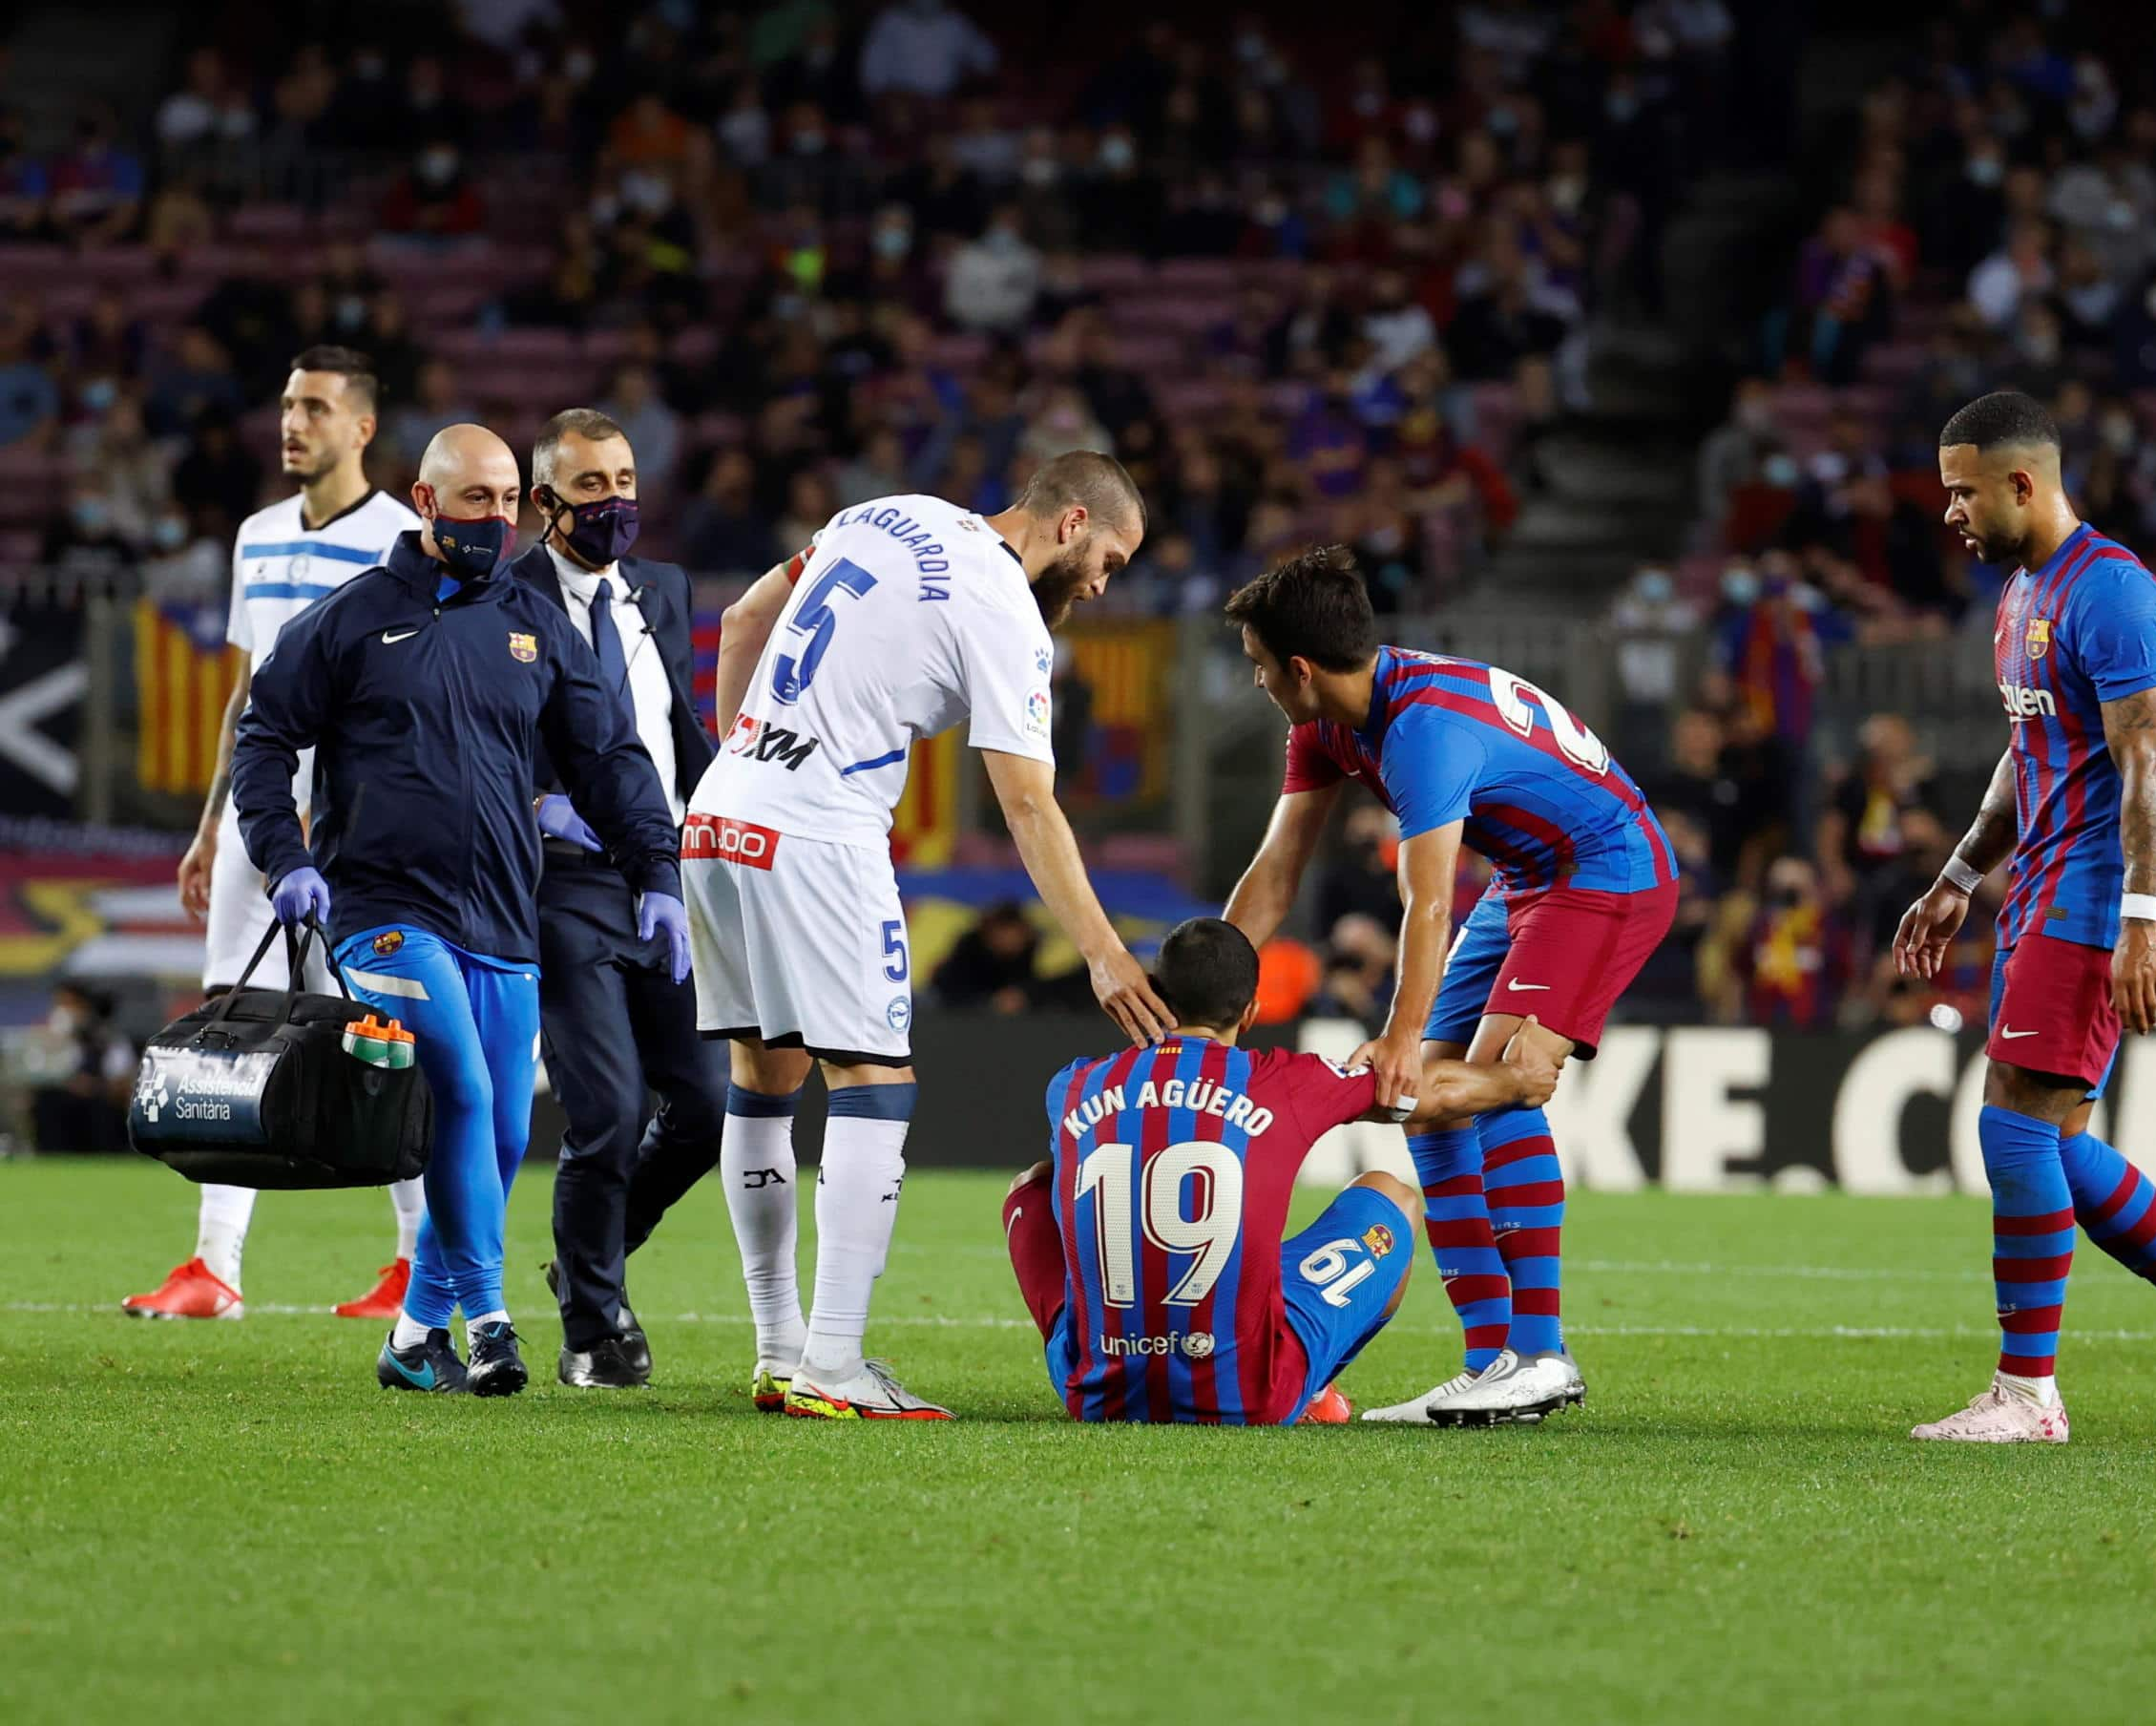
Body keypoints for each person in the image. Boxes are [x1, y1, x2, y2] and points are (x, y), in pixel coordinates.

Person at [694, 451, 1172, 1421]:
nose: (1104, 582)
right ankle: (832, 1362)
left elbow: (745, 620)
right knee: (876, 1081)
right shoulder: (1001, 605)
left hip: (721, 807)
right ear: (1073, 522)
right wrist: (1100, 947)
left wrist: (741, 760)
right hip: (819, 828)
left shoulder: (888, 512)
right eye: (1112, 558)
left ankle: (781, 1350)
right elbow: (1028, 804)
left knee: (764, 1073)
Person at [232, 425, 684, 1399]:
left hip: (503, 918)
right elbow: (263, 735)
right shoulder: (349, 620)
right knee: (465, 1095)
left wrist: (657, 869)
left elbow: (607, 754)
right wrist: (285, 858)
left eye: (512, 498)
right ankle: (490, 1323)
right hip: (385, 908)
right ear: (426, 501)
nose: (500, 517)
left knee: (503, 1135)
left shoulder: (532, 625)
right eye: (477, 499)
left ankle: (410, 1335)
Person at [1892, 391, 2156, 1445]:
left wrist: (2142, 919)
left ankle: (2030, 1393)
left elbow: (2145, 765)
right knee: (2053, 1140)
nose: (1951, 514)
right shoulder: (2024, 594)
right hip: (2037, 889)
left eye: (1963, 492)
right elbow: (2031, 757)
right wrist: (1959, 874)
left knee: (2010, 1119)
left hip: (2096, 893)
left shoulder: (2114, 593)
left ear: (2024, 482)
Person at [1219, 547, 1680, 1426]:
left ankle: (1540, 1353)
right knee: (1425, 1100)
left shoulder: (1424, 730)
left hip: (1604, 866)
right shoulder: (1324, 724)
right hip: (1526, 877)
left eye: (1259, 666)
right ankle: (1489, 1359)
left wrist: (1398, 1030)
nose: (1258, 682)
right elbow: (1276, 870)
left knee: (1497, 1075)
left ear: (1301, 668)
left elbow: (1427, 899)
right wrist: (1213, 1005)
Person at [126, 346, 426, 1325]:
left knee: (377, 1038)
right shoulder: (256, 535)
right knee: (236, 1034)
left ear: (362, 428)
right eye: (287, 404)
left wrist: (342, 803)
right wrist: (213, 820)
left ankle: (417, 1262)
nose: (292, 423)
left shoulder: (405, 542)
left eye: (315, 407)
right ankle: (215, 1268)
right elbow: (246, 696)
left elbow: (406, 699)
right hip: (257, 823)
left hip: (349, 834)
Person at [1004, 918, 1562, 1425]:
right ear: (1251, 1011)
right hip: (1250, 1392)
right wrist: (1517, 1080)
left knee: (1033, 1185)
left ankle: (1104, 1344)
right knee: (1391, 1195)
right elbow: (1427, 1092)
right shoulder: (1282, 1082)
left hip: (1099, 1394)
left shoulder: (1073, 1084)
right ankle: (1312, 1390)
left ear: (1154, 997)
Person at [514, 409, 724, 1389]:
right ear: (542, 501)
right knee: (606, 1108)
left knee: (708, 1106)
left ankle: (586, 1260)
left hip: (670, 877)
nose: (615, 502)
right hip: (566, 885)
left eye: (625, 480)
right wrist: (535, 803)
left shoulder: (662, 592)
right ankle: (595, 1324)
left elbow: (681, 723)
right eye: (591, 485)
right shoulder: (499, 601)